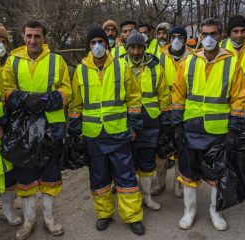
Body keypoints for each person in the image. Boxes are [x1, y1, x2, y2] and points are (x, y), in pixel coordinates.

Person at [172, 18, 245, 231]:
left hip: (218, 130)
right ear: (199, 36)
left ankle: (216, 211)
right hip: (191, 128)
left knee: (216, 173)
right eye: (204, 34)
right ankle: (189, 211)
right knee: (188, 173)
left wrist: (234, 129)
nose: (208, 38)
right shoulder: (188, 62)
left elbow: (239, 99)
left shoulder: (232, 63)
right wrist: (176, 125)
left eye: (213, 34)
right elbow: (178, 94)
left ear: (221, 36)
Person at [69, 26, 145, 235]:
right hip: (93, 136)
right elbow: (76, 105)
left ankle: (132, 216)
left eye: (100, 42)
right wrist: (76, 132)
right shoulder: (80, 71)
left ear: (107, 44)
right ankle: (104, 214)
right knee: (99, 178)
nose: (97, 46)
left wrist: (133, 126)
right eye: (93, 42)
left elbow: (134, 99)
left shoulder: (121, 67)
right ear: (88, 46)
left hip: (119, 133)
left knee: (126, 178)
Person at [3, 20, 71, 239]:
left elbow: (66, 91)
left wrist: (44, 99)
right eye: (29, 36)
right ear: (23, 36)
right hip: (23, 129)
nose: (33, 40)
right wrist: (24, 98)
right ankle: (29, 220)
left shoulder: (56, 61)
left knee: (51, 175)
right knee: (26, 176)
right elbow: (6, 91)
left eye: (37, 36)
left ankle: (50, 220)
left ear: (44, 38)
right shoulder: (12, 61)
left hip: (51, 127)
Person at [122, 30, 171, 211]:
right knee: (128, 162)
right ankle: (133, 200)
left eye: (139, 47)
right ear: (127, 48)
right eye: (132, 47)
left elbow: (164, 98)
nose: (136, 52)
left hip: (150, 122)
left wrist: (166, 125)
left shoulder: (155, 67)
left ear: (144, 48)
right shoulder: (118, 66)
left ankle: (147, 197)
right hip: (126, 122)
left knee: (147, 162)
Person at [151, 26, 193, 198]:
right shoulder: (160, 56)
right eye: (173, 37)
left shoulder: (193, 56)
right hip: (165, 108)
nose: (176, 40)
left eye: (180, 37)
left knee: (181, 147)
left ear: (185, 39)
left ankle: (179, 184)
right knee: (161, 147)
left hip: (185, 108)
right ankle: (159, 183)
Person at [0, 22, 22, 228]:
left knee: (9, 171)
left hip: (8, 127)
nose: (0, 45)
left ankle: (7, 208)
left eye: (2, 41)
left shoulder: (7, 65)